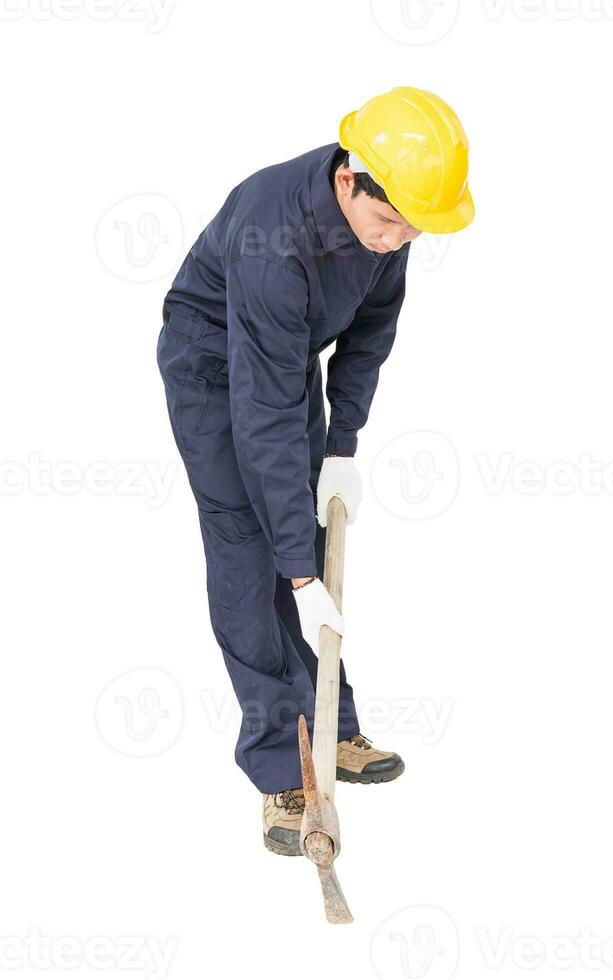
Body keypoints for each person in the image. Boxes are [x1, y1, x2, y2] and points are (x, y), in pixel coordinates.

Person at [156, 86, 474, 855]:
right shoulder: (276, 235)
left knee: (295, 537)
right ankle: (279, 770)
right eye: (389, 221)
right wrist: (302, 573)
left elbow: (368, 337)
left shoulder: (387, 229)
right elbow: (259, 413)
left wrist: (341, 450)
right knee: (251, 559)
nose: (399, 239)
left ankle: (332, 728)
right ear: (347, 181)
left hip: (280, 361)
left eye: (414, 228)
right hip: (213, 369)